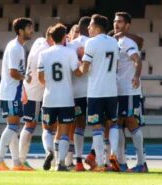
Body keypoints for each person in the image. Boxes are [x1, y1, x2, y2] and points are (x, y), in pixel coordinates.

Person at [37, 23, 82, 171]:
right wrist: (86, 63)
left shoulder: (43, 54)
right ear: (64, 37)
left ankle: (49, 150)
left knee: (47, 130)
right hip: (66, 98)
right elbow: (77, 72)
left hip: (49, 97)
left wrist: (49, 84)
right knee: (63, 132)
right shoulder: (69, 53)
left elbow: (40, 77)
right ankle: (60, 163)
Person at [80, 14, 120, 172]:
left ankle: (102, 164)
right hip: (111, 90)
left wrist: (76, 67)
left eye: (90, 25)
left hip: (96, 91)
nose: (88, 28)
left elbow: (84, 69)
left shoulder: (91, 42)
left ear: (97, 27)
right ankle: (114, 154)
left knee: (97, 126)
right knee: (113, 123)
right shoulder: (114, 42)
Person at [0, 17, 34, 171]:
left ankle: (16, 163)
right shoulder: (16, 48)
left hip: (12, 91)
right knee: (13, 126)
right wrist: (26, 77)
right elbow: (13, 72)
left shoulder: (18, 47)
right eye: (29, 28)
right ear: (20, 31)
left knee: (13, 128)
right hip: (11, 92)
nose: (31, 31)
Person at [113, 11, 148, 172]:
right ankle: (121, 162)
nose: (116, 24)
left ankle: (142, 163)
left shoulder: (127, 42)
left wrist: (136, 76)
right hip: (119, 90)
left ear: (127, 25)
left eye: (120, 22)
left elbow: (137, 60)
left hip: (128, 90)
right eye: (115, 21)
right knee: (118, 123)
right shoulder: (116, 41)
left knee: (131, 122)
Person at [19, 26, 54, 170]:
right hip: (37, 93)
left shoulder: (39, 41)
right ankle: (21, 160)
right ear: (52, 38)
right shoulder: (46, 52)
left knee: (32, 125)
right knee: (31, 125)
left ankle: (22, 159)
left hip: (29, 89)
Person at [66, 16, 91, 171]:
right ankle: (102, 161)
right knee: (100, 126)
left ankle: (78, 160)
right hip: (94, 91)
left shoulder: (69, 46)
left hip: (75, 91)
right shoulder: (94, 43)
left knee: (75, 126)